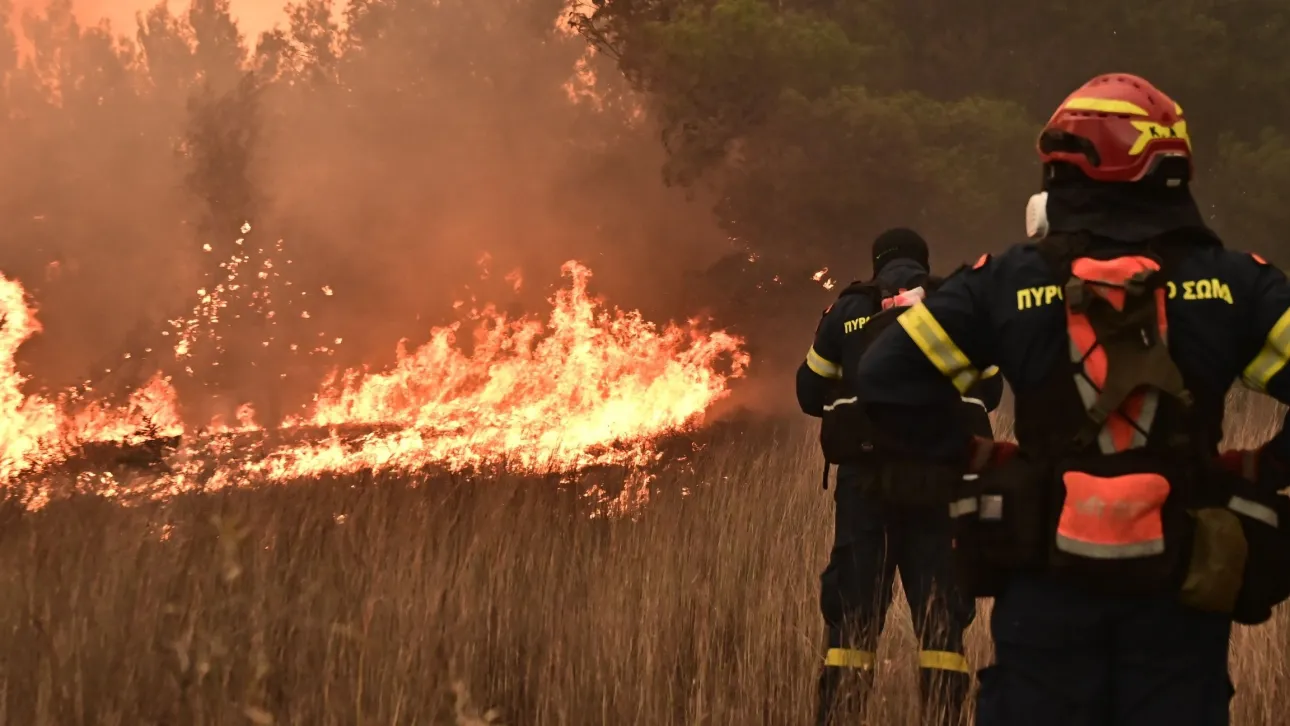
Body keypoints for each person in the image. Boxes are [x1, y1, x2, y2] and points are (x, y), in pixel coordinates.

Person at [853, 72, 1290, 726]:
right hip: (1180, 599)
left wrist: (974, 453)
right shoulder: (1234, 284)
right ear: (1172, 170)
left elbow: (885, 374)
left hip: (1046, 593)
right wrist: (1267, 468)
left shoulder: (1004, 282)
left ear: (1064, 172)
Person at [797, 227, 1003, 726]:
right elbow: (991, 392)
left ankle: (843, 716)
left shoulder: (845, 311)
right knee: (940, 622)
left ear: (876, 264)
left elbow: (808, 393)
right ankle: (945, 718)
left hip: (865, 486)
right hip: (941, 483)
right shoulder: (954, 305)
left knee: (853, 619)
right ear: (923, 262)